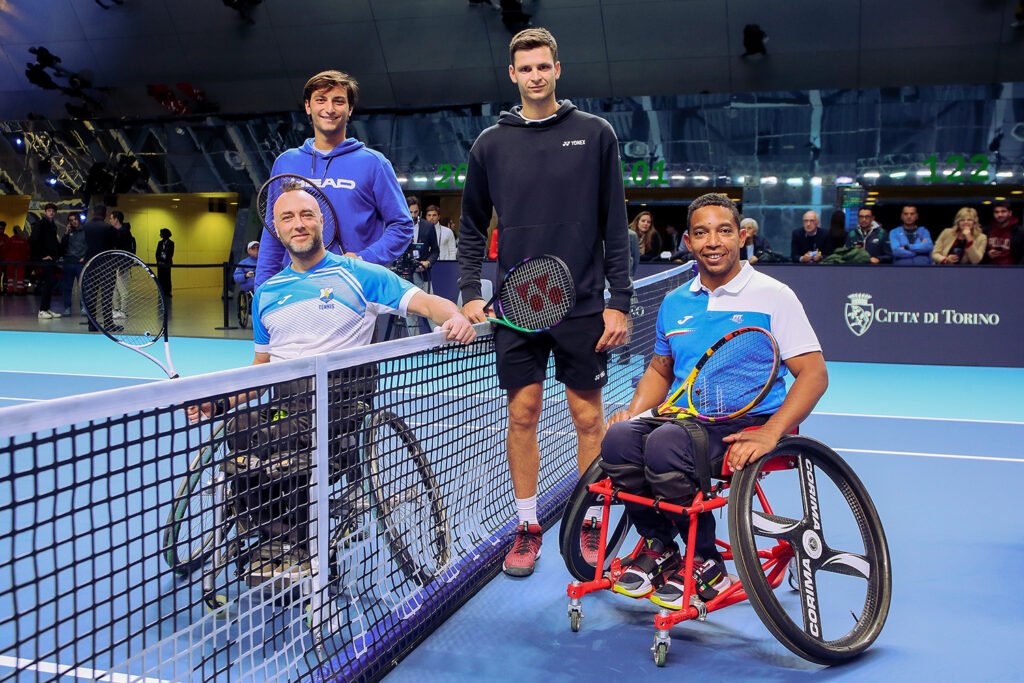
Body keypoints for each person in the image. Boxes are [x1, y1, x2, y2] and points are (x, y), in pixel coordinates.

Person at [187, 183, 475, 584]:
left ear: (321, 221)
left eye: (306, 215)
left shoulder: (360, 275)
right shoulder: (266, 292)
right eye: (287, 217)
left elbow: (426, 302)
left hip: (340, 408)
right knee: (239, 427)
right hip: (286, 405)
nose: (298, 224)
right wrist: (219, 404)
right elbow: (260, 369)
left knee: (278, 437)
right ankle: (275, 539)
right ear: (276, 228)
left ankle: (294, 546)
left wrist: (454, 316)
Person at [457, 27, 632, 578]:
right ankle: (527, 525)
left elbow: (615, 225)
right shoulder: (490, 144)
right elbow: (469, 226)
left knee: (588, 418)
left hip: (581, 306)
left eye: (543, 66)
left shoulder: (596, 134)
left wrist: (618, 299)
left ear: (558, 69)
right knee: (522, 414)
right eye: (525, 68)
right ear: (513, 75)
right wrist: (468, 293)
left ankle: (589, 518)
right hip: (517, 309)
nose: (535, 75)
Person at [599, 193, 827, 609]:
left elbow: (814, 374)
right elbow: (660, 370)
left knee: (665, 444)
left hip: (745, 420)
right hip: (684, 417)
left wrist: (771, 432)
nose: (713, 241)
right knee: (617, 441)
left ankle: (706, 562)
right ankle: (660, 544)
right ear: (688, 241)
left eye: (724, 231)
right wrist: (632, 414)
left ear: (741, 237)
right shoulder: (675, 302)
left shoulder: (774, 295)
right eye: (701, 233)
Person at [255, 70, 413, 287]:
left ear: (350, 109)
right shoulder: (285, 163)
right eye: (321, 100)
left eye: (338, 101)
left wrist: (364, 259)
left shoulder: (374, 163)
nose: (329, 109)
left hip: (355, 287)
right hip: (297, 287)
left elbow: (402, 226)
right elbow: (273, 232)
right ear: (308, 107)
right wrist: (262, 291)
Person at [404, 196, 440, 335]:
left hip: (423, 274)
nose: (413, 215)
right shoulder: (399, 226)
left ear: (419, 211)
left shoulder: (428, 226)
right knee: (409, 309)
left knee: (432, 307)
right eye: (410, 212)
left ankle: (439, 343)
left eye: (416, 212)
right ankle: (414, 345)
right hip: (406, 274)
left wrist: (428, 262)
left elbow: (435, 250)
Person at [82, 204, 119, 331]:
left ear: (93, 213)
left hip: (90, 264)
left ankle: (91, 324)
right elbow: (114, 245)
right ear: (105, 214)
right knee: (106, 295)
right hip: (107, 264)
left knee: (91, 294)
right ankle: (108, 323)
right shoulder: (109, 228)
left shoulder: (85, 227)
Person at [30, 203, 63, 318]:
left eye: (53, 211)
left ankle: (47, 308)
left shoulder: (52, 225)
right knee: (48, 282)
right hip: (45, 259)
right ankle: (42, 310)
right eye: (49, 210)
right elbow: (33, 240)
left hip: (52, 258)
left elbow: (53, 242)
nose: (51, 212)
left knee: (51, 282)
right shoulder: (41, 224)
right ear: (45, 212)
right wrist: (42, 255)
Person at [61, 211, 87, 316]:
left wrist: (85, 257)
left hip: (80, 262)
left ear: (79, 219)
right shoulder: (68, 233)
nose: (74, 222)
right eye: (71, 220)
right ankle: (67, 307)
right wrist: (66, 233)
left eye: (75, 219)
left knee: (82, 286)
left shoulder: (85, 231)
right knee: (67, 287)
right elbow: (62, 247)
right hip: (68, 261)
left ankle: (84, 307)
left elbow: (89, 245)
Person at [155, 228, 174, 297]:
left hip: (167, 264)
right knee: (160, 278)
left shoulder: (171, 243)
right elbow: (157, 253)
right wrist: (159, 261)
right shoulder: (160, 243)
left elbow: (170, 254)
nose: (160, 235)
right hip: (160, 264)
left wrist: (165, 262)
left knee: (167, 278)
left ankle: (167, 292)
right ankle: (160, 291)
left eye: (161, 233)